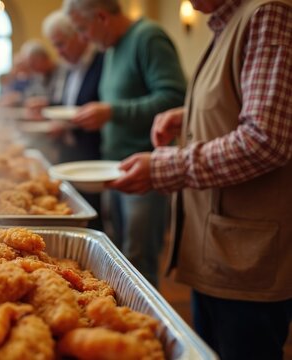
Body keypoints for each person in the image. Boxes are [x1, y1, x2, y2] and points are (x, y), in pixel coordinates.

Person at [109, 0, 291, 358]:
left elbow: (266, 141)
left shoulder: (268, 15)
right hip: (216, 248)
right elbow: (237, 104)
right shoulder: (225, 24)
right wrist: (188, 116)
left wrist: (165, 168)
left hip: (246, 260)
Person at [64, 0, 187, 287]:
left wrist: (112, 111)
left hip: (144, 167)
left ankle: (143, 329)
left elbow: (175, 98)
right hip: (114, 167)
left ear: (102, 17)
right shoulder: (112, 48)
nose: (83, 38)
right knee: (121, 258)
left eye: (83, 29)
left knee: (138, 260)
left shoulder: (148, 37)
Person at [42, 10, 104, 230]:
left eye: (61, 44)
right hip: (71, 151)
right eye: (55, 46)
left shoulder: (101, 61)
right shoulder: (69, 68)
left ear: (79, 35)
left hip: (94, 155)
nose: (58, 52)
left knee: (94, 219)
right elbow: (66, 105)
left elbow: (100, 107)